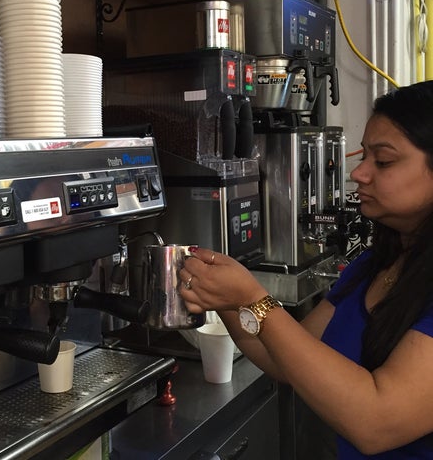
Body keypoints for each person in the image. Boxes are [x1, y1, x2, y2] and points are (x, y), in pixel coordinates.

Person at [178, 80, 433, 459]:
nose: (360, 174)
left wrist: (253, 298)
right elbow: (285, 358)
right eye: (364, 157)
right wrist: (225, 298)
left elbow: (377, 422)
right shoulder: (373, 265)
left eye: (383, 161)